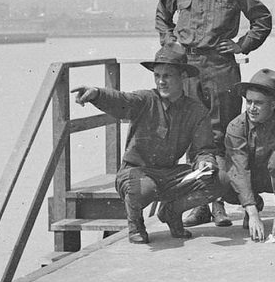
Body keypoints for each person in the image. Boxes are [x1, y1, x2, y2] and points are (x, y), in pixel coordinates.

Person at [155, 0, 272, 228]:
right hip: (187, 69)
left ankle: (220, 201)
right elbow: (161, 16)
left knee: (221, 134)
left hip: (221, 69)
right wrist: (171, 45)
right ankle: (203, 204)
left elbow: (262, 18)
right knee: (191, 133)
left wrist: (241, 45)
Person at [72, 44, 222, 244]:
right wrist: (97, 94)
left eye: (167, 76)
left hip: (169, 174)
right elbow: (122, 100)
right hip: (135, 172)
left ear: (183, 76)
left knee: (220, 181)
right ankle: (135, 225)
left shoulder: (196, 111)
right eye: (157, 76)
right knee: (143, 187)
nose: (161, 81)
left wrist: (205, 162)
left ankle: (171, 212)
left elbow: (204, 149)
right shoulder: (145, 100)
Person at [216, 69, 275, 242]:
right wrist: (252, 213)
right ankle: (253, 205)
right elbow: (239, 170)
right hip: (247, 179)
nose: (251, 108)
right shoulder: (236, 127)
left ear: (273, 105)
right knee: (222, 177)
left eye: (258, 103)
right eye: (248, 102)